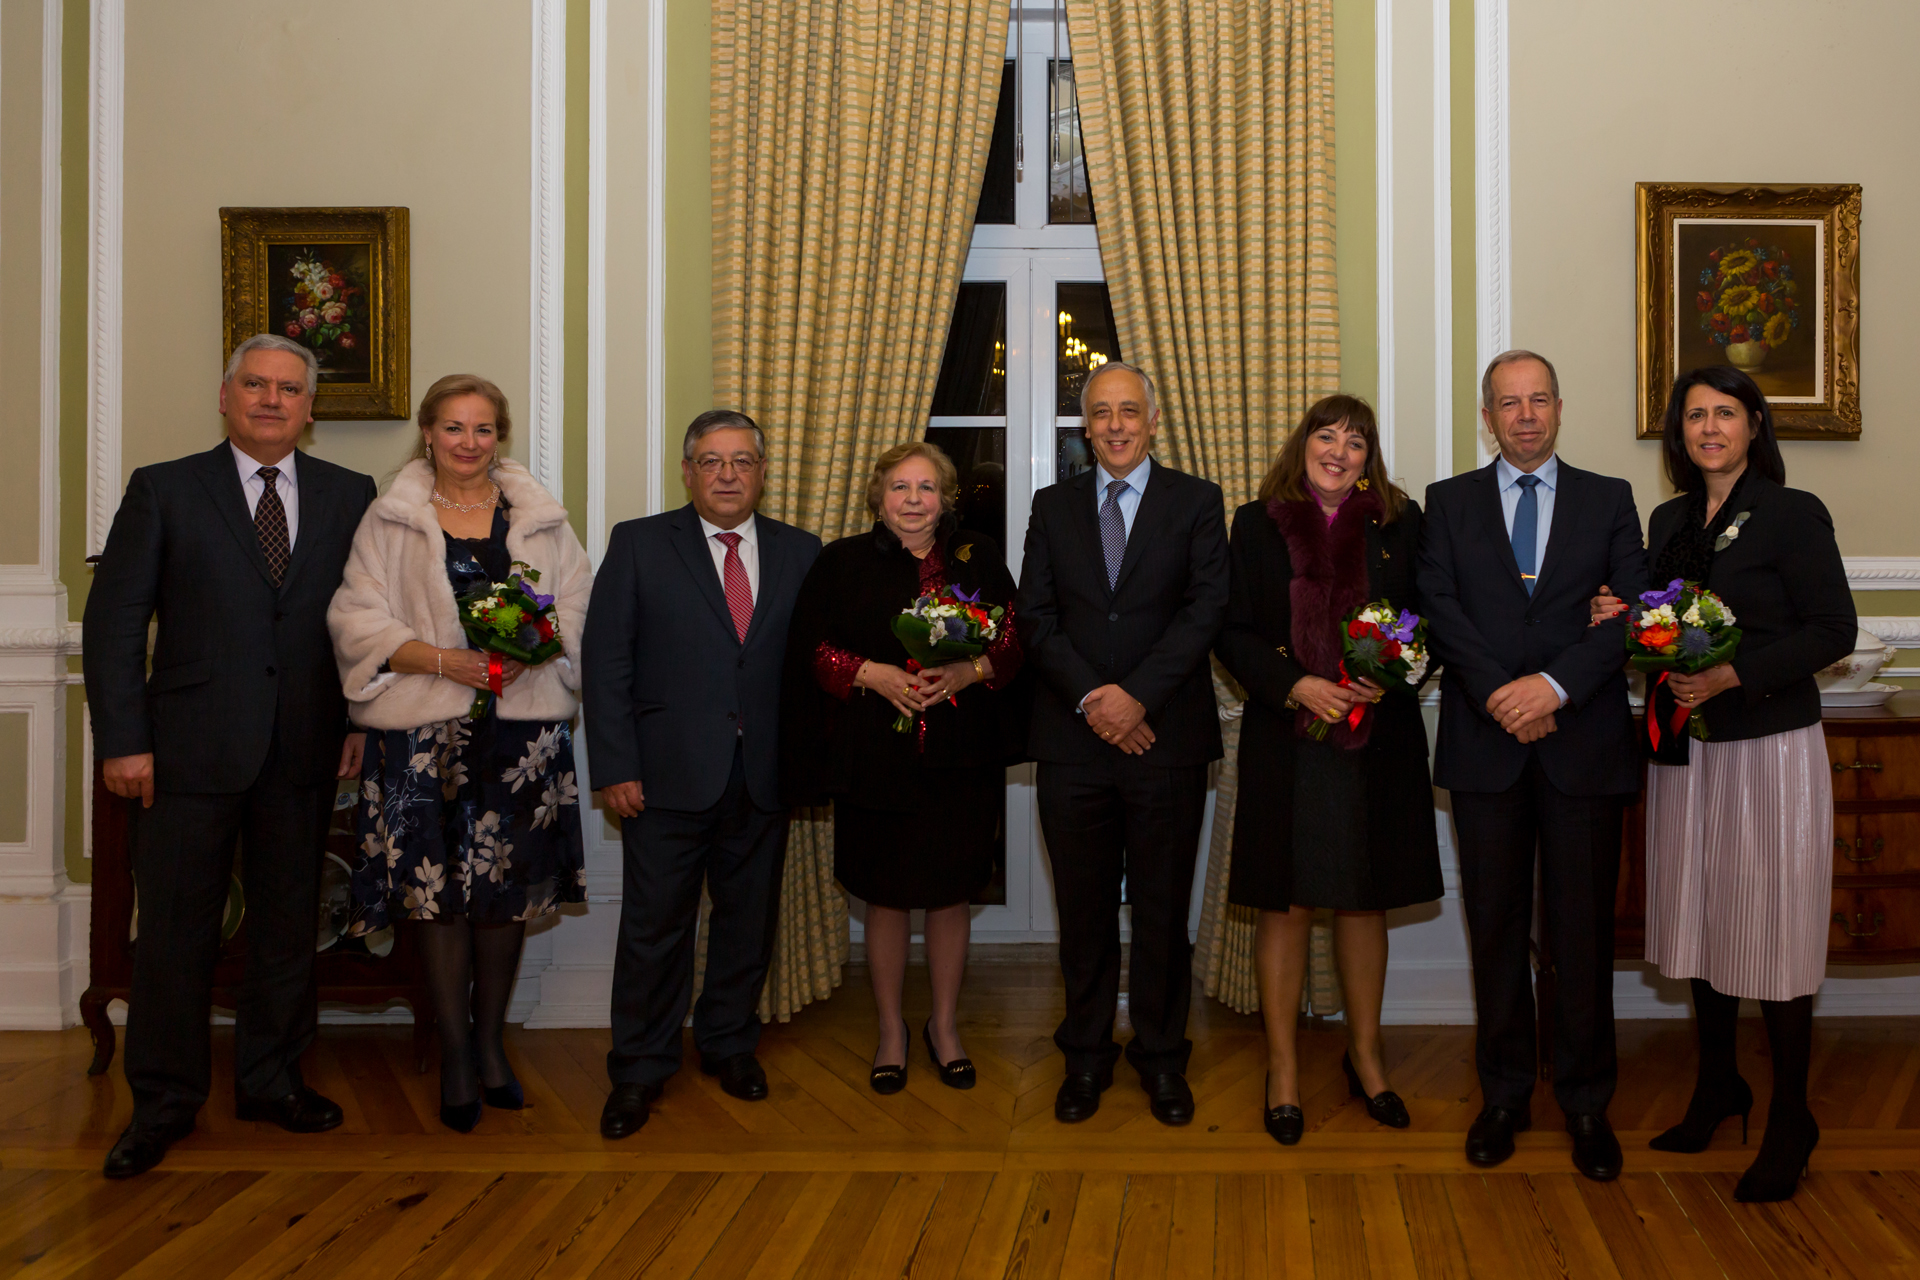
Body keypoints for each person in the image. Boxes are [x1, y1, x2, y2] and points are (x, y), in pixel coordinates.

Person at [83, 334, 377, 1179]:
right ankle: (163, 1106)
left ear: (310, 409)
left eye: (290, 389)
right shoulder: (165, 489)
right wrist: (125, 741)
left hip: (305, 748)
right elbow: (114, 625)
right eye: (256, 384)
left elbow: (361, 620)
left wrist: (357, 714)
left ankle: (272, 1081)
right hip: (182, 756)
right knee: (175, 935)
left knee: (290, 928)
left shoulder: (349, 493)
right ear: (225, 395)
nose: (272, 400)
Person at [1588, 366, 1853, 1202]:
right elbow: (1654, 624)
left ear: (1754, 425)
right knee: (1702, 919)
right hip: (1683, 751)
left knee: (1771, 931)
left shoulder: (1790, 511)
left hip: (1766, 749)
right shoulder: (1667, 519)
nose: (1708, 428)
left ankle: (1790, 1120)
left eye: (1725, 414)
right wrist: (1617, 618)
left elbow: (1833, 628)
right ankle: (1717, 1087)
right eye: (1695, 415)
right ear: (1680, 432)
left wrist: (1738, 677)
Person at [328, 374, 592, 1132]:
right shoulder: (391, 518)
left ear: (499, 436)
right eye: (453, 428)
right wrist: (442, 661)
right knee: (435, 897)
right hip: (420, 736)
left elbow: (577, 599)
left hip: (522, 735)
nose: (468, 442)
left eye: (483, 429)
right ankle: (453, 1053)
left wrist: (538, 647)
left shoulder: (540, 519)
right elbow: (355, 617)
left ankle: (490, 1047)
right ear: (428, 434)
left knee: (503, 898)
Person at [1415, 350, 1647, 1182]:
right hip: (1487, 749)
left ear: (1559, 407)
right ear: (1488, 416)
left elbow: (1630, 614)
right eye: (1507, 403)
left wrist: (1551, 688)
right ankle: (1505, 1095)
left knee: (1583, 940)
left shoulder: (1610, 500)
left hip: (1581, 746)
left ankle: (1587, 1103)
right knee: (1498, 934)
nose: (1523, 416)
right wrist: (1503, 696)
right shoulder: (1447, 504)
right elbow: (1439, 610)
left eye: (1537, 399)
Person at [582, 410, 822, 1137]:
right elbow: (607, 662)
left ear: (760, 472)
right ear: (687, 471)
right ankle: (639, 1068)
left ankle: (728, 1045)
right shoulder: (639, 544)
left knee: (747, 927)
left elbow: (815, 667)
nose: (727, 475)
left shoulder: (800, 551)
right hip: (663, 778)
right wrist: (616, 767)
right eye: (712, 462)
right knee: (655, 930)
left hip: (763, 777)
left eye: (742, 462)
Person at [1216, 395, 1443, 1146]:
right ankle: (1282, 1070)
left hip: (1377, 739)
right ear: (1303, 443)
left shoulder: (1401, 525)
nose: (1339, 450)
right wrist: (1293, 685)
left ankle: (1367, 1058)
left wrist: (1399, 671)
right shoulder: (1256, 524)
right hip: (1289, 739)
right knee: (1285, 903)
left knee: (1363, 898)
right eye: (1327, 435)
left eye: (1356, 440)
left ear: (1368, 455)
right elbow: (1232, 629)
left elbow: (1431, 623)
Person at [1015, 361, 1230, 1127]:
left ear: (1154, 418)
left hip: (1164, 739)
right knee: (1084, 913)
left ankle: (1163, 1058)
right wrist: (1095, 702)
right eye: (1100, 412)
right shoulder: (1052, 505)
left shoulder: (1198, 503)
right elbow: (1034, 616)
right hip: (1072, 743)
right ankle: (1084, 1056)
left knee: (1164, 912)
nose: (1114, 425)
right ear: (1085, 424)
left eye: (1128, 411)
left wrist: (1136, 697)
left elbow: (1207, 610)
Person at [780, 442, 1026, 1093]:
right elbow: (810, 647)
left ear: (946, 497)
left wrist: (968, 673)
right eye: (900, 488)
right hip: (874, 755)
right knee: (884, 899)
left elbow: (1013, 639)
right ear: (878, 497)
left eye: (926, 488)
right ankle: (891, 1030)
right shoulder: (842, 562)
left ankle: (943, 1027)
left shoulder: (977, 555)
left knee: (950, 897)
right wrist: (870, 672)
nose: (913, 500)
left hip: (960, 757)